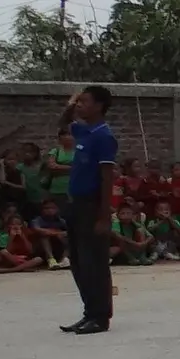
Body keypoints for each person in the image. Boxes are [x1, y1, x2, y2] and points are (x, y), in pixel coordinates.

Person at [59, 85, 118, 334]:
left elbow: (107, 179)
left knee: (94, 262)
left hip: (92, 205)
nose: (80, 105)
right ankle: (89, 312)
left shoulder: (104, 136)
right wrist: (71, 105)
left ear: (99, 106)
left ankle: (100, 316)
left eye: (85, 101)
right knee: (79, 262)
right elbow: (63, 125)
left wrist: (104, 216)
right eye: (79, 101)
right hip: (76, 204)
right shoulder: (84, 131)